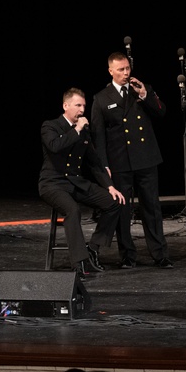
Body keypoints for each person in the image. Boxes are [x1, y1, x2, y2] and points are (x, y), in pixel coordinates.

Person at [90, 51, 173, 269]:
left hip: (146, 158)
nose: (126, 73)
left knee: (152, 208)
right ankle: (127, 255)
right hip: (120, 162)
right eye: (121, 69)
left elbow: (162, 112)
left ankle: (160, 254)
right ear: (111, 71)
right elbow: (98, 137)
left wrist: (145, 94)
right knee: (123, 211)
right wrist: (104, 164)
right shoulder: (101, 98)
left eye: (128, 68)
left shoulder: (140, 89)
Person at [39, 88, 126, 278]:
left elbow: (94, 163)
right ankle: (79, 263)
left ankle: (93, 248)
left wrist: (110, 186)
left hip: (75, 182)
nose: (82, 109)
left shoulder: (84, 131)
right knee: (72, 210)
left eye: (84, 106)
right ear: (66, 106)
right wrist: (76, 130)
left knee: (113, 202)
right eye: (78, 105)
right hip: (52, 184)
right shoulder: (50, 126)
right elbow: (55, 147)